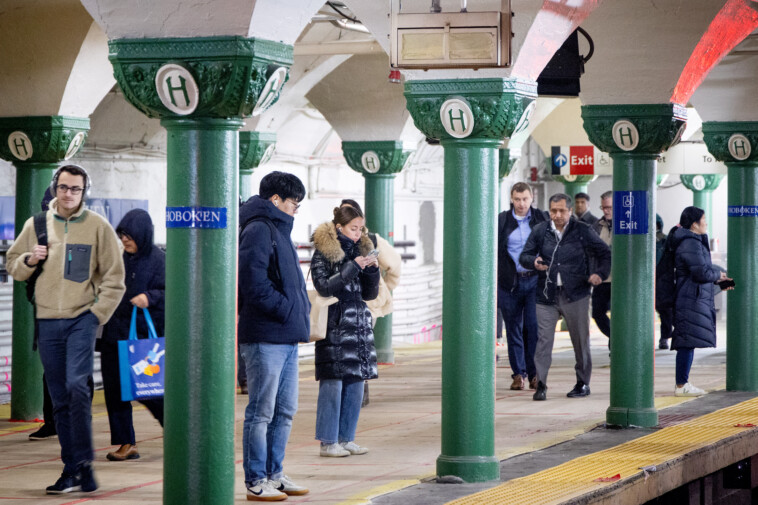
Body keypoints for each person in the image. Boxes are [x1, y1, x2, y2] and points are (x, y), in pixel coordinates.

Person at [7, 164, 125, 494]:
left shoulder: (99, 227)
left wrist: (95, 314)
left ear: (84, 192)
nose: (68, 194)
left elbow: (115, 279)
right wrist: (30, 259)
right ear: (55, 188)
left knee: (77, 386)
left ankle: (83, 462)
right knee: (59, 399)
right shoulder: (37, 225)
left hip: (81, 320)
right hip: (47, 321)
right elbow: (13, 266)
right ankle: (74, 468)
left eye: (75, 189)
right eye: (63, 187)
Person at [238, 171, 311, 501]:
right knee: (261, 411)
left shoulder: (280, 232)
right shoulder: (257, 230)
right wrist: (286, 310)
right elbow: (254, 286)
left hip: (286, 337)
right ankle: (255, 479)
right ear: (276, 201)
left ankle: (274, 474)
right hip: (265, 336)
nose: (296, 209)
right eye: (294, 203)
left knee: (285, 410)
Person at [519, 193, 610, 401]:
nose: (557, 215)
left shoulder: (582, 231)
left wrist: (599, 274)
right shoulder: (541, 231)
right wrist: (533, 262)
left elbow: (605, 253)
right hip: (546, 295)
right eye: (553, 211)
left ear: (570, 211)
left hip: (576, 294)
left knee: (580, 341)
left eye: (561, 211)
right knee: (543, 341)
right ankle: (540, 384)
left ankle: (583, 383)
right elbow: (524, 256)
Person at [311, 206, 380, 458]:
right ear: (339, 227)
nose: (358, 233)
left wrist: (371, 269)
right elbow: (324, 287)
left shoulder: (362, 248)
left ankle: (346, 438)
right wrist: (353, 267)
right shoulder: (323, 252)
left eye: (360, 228)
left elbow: (370, 294)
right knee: (333, 382)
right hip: (335, 323)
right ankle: (328, 442)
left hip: (358, 323)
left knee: (356, 382)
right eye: (353, 228)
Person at [98, 209, 165, 462]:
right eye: (122, 235)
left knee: (147, 391)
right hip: (114, 335)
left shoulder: (160, 260)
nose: (125, 240)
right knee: (114, 390)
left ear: (144, 235)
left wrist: (151, 297)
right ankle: (127, 443)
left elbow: (173, 293)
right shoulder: (117, 260)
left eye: (130, 235)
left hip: (143, 339)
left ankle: (177, 430)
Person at [339, 199, 402, 406]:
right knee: (360, 347)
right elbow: (395, 265)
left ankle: (356, 392)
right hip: (366, 304)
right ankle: (359, 392)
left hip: (363, 303)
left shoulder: (370, 241)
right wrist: (386, 289)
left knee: (352, 348)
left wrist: (383, 289)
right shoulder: (372, 241)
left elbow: (393, 265)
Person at [670, 206, 731, 397]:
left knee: (688, 341)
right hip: (689, 298)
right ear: (695, 224)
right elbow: (701, 272)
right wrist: (718, 274)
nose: (706, 222)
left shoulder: (693, 241)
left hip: (692, 296)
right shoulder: (690, 242)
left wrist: (719, 280)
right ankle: (681, 385)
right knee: (686, 342)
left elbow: (701, 269)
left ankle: (682, 383)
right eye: (703, 219)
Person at [497, 182, 547, 390]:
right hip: (510, 282)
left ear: (531, 198)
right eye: (517, 199)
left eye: (525, 199)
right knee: (513, 328)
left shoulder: (540, 218)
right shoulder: (502, 220)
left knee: (532, 328)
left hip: (534, 280)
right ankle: (518, 374)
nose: (521, 203)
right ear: (511, 198)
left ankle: (534, 373)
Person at [591, 191, 613, 342]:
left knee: (620, 316)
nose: (606, 211)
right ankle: (616, 339)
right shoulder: (597, 226)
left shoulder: (626, 226)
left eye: (610, 207)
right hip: (602, 278)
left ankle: (615, 347)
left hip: (619, 280)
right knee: (597, 313)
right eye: (603, 207)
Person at [655, 215, 674, 350]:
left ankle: (665, 337)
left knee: (665, 310)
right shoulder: (641, 240)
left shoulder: (665, 240)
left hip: (663, 280)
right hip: (648, 280)